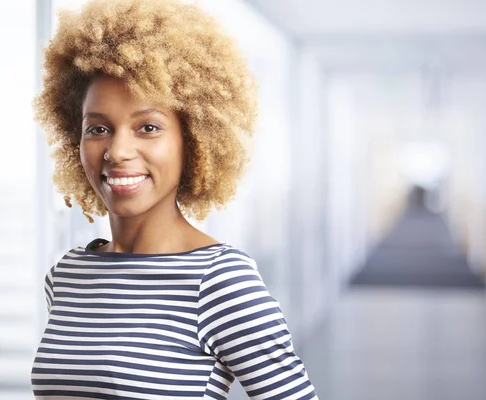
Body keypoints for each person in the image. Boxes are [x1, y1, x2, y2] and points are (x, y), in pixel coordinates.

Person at [30, 0, 318, 399]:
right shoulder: (68, 276)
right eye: (98, 129)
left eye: (147, 127)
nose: (117, 151)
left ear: (194, 141)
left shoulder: (220, 280)